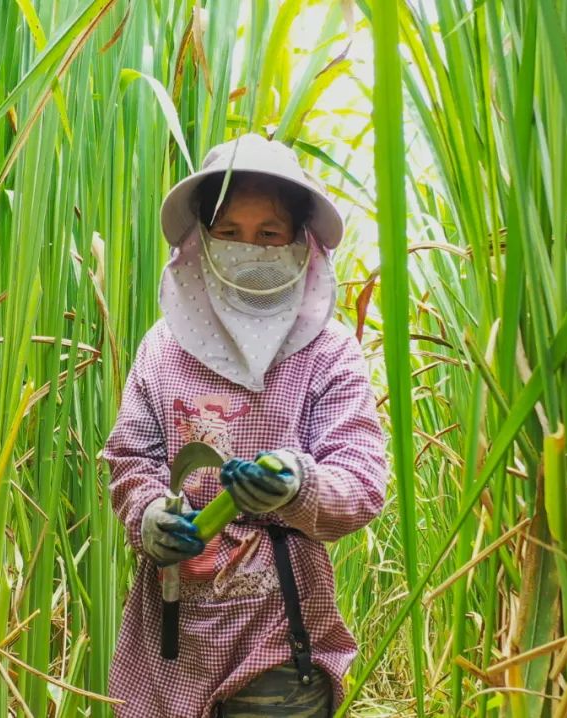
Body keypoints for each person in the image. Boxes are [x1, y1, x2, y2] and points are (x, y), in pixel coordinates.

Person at [103, 133, 388, 717]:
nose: (247, 248)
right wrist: (151, 514)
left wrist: (295, 485)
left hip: (276, 640)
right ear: (201, 240)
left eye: (269, 234)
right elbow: (131, 460)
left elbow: (361, 482)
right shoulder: (162, 349)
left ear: (298, 243)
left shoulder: (327, 353)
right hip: (173, 639)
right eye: (229, 233)